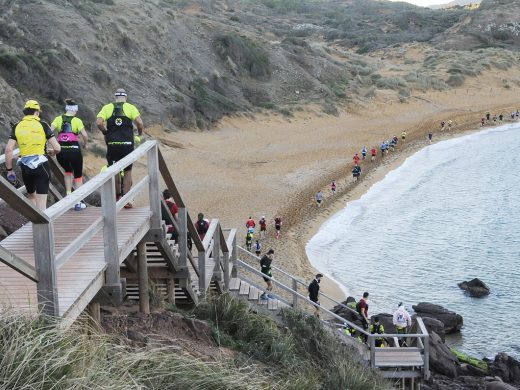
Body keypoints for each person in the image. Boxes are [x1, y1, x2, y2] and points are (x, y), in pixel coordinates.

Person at [4, 100, 61, 210]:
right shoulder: (43, 125)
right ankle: (42, 225)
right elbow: (57, 148)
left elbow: (8, 150)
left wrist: (9, 170)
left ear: (25, 112)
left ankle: (34, 224)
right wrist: (53, 152)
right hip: (41, 166)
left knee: (31, 195)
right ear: (37, 112)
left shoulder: (16, 126)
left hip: (25, 166)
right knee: (42, 202)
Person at [96, 88, 144, 208]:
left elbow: (99, 122)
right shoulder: (131, 107)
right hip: (127, 144)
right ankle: (127, 199)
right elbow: (140, 123)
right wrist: (140, 133)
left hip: (113, 145)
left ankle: (118, 197)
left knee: (115, 171)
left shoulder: (107, 107)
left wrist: (105, 132)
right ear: (125, 97)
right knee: (128, 172)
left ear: (115, 97)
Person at [51, 99, 88, 210]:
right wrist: (86, 144)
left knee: (67, 171)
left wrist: (52, 144)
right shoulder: (77, 120)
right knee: (78, 175)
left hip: (61, 151)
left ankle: (68, 195)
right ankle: (78, 201)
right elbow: (85, 135)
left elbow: (49, 131)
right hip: (74, 150)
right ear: (75, 110)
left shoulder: (58, 119)